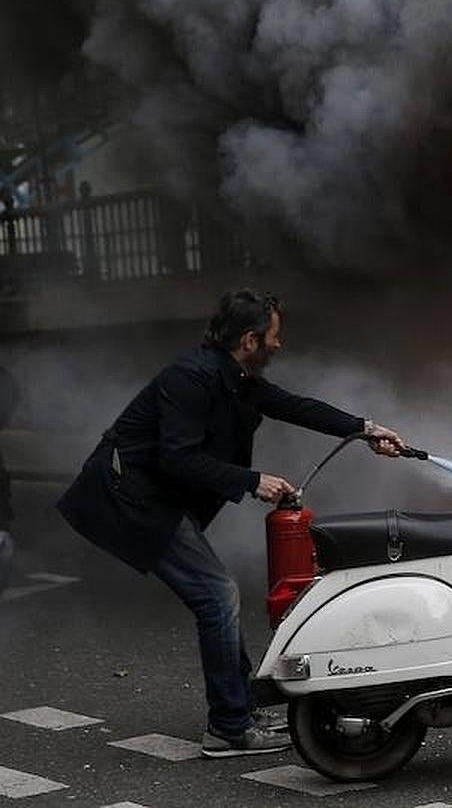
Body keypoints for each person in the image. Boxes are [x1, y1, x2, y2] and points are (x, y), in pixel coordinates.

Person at [55, 290, 406, 758]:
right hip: (131, 499)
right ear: (250, 339)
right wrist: (250, 480)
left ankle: (239, 710)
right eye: (274, 337)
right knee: (217, 595)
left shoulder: (235, 377)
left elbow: (296, 406)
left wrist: (364, 428)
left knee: (216, 595)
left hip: (154, 499)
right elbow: (177, 457)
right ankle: (229, 727)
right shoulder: (191, 379)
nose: (279, 346)